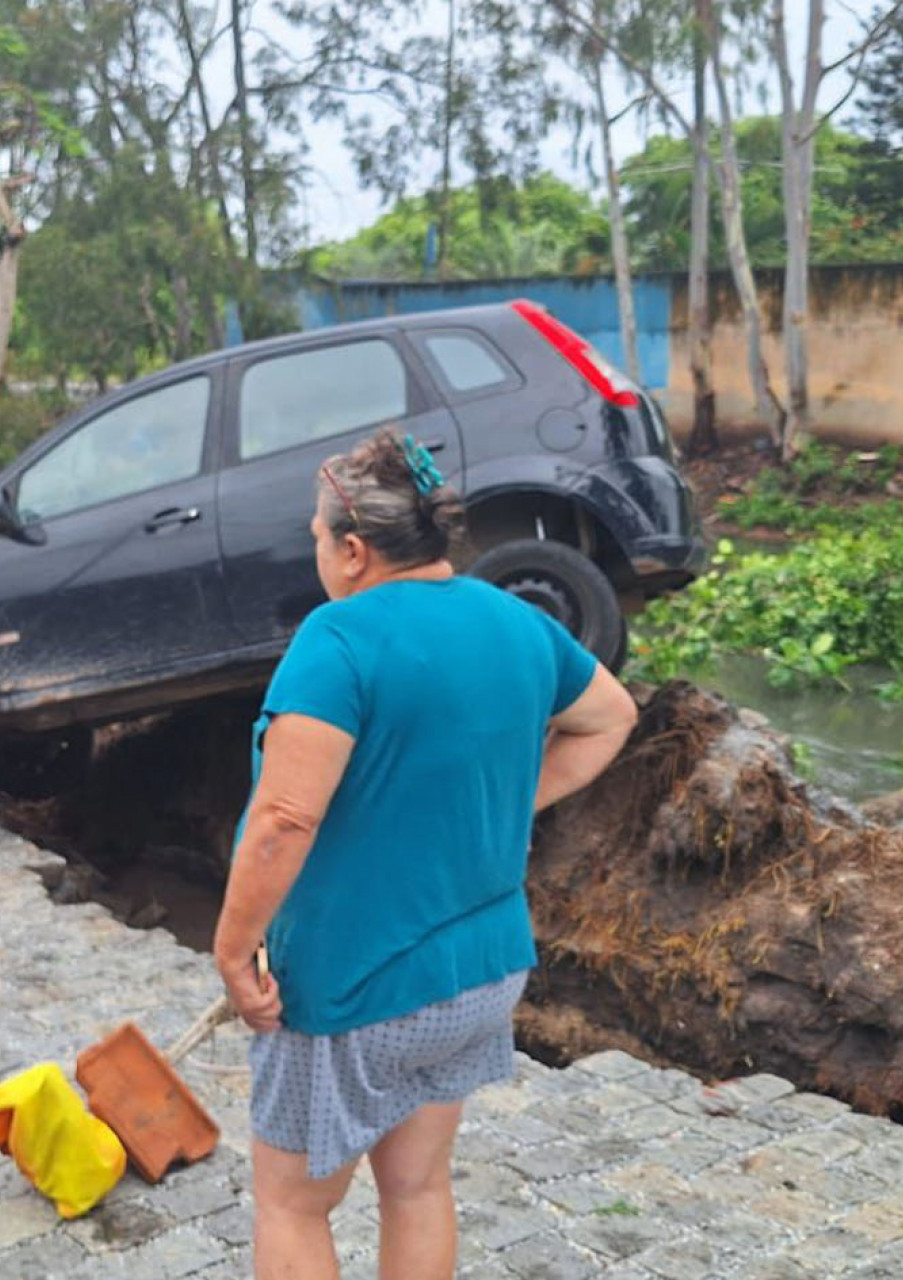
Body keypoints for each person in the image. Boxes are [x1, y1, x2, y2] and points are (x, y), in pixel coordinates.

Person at [213, 427, 640, 1279]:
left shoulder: (337, 641)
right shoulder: (515, 620)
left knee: (293, 1203)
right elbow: (611, 715)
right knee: (415, 1187)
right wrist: (501, 802)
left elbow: (284, 819)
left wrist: (232, 953)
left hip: (356, 984)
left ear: (356, 550)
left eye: (317, 537)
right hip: (477, 975)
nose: (318, 555)